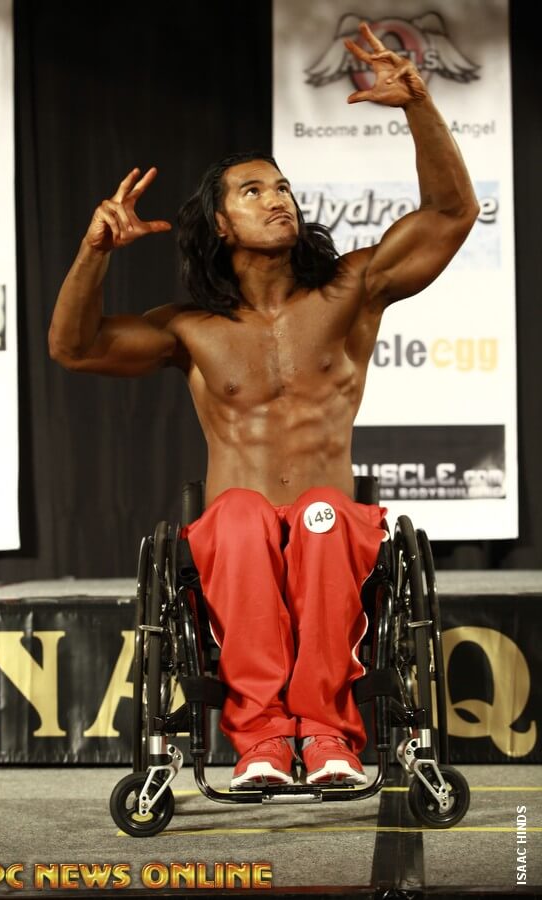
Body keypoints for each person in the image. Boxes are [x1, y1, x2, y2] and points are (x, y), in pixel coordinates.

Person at [49, 24, 478, 789]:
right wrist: (93, 254)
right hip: (235, 535)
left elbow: (450, 215)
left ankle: (328, 734)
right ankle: (264, 744)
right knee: (243, 517)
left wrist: (418, 105)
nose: (277, 199)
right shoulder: (191, 328)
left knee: (320, 514)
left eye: (281, 187)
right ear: (221, 224)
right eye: (253, 191)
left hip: (332, 530)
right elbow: (74, 348)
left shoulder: (351, 290)